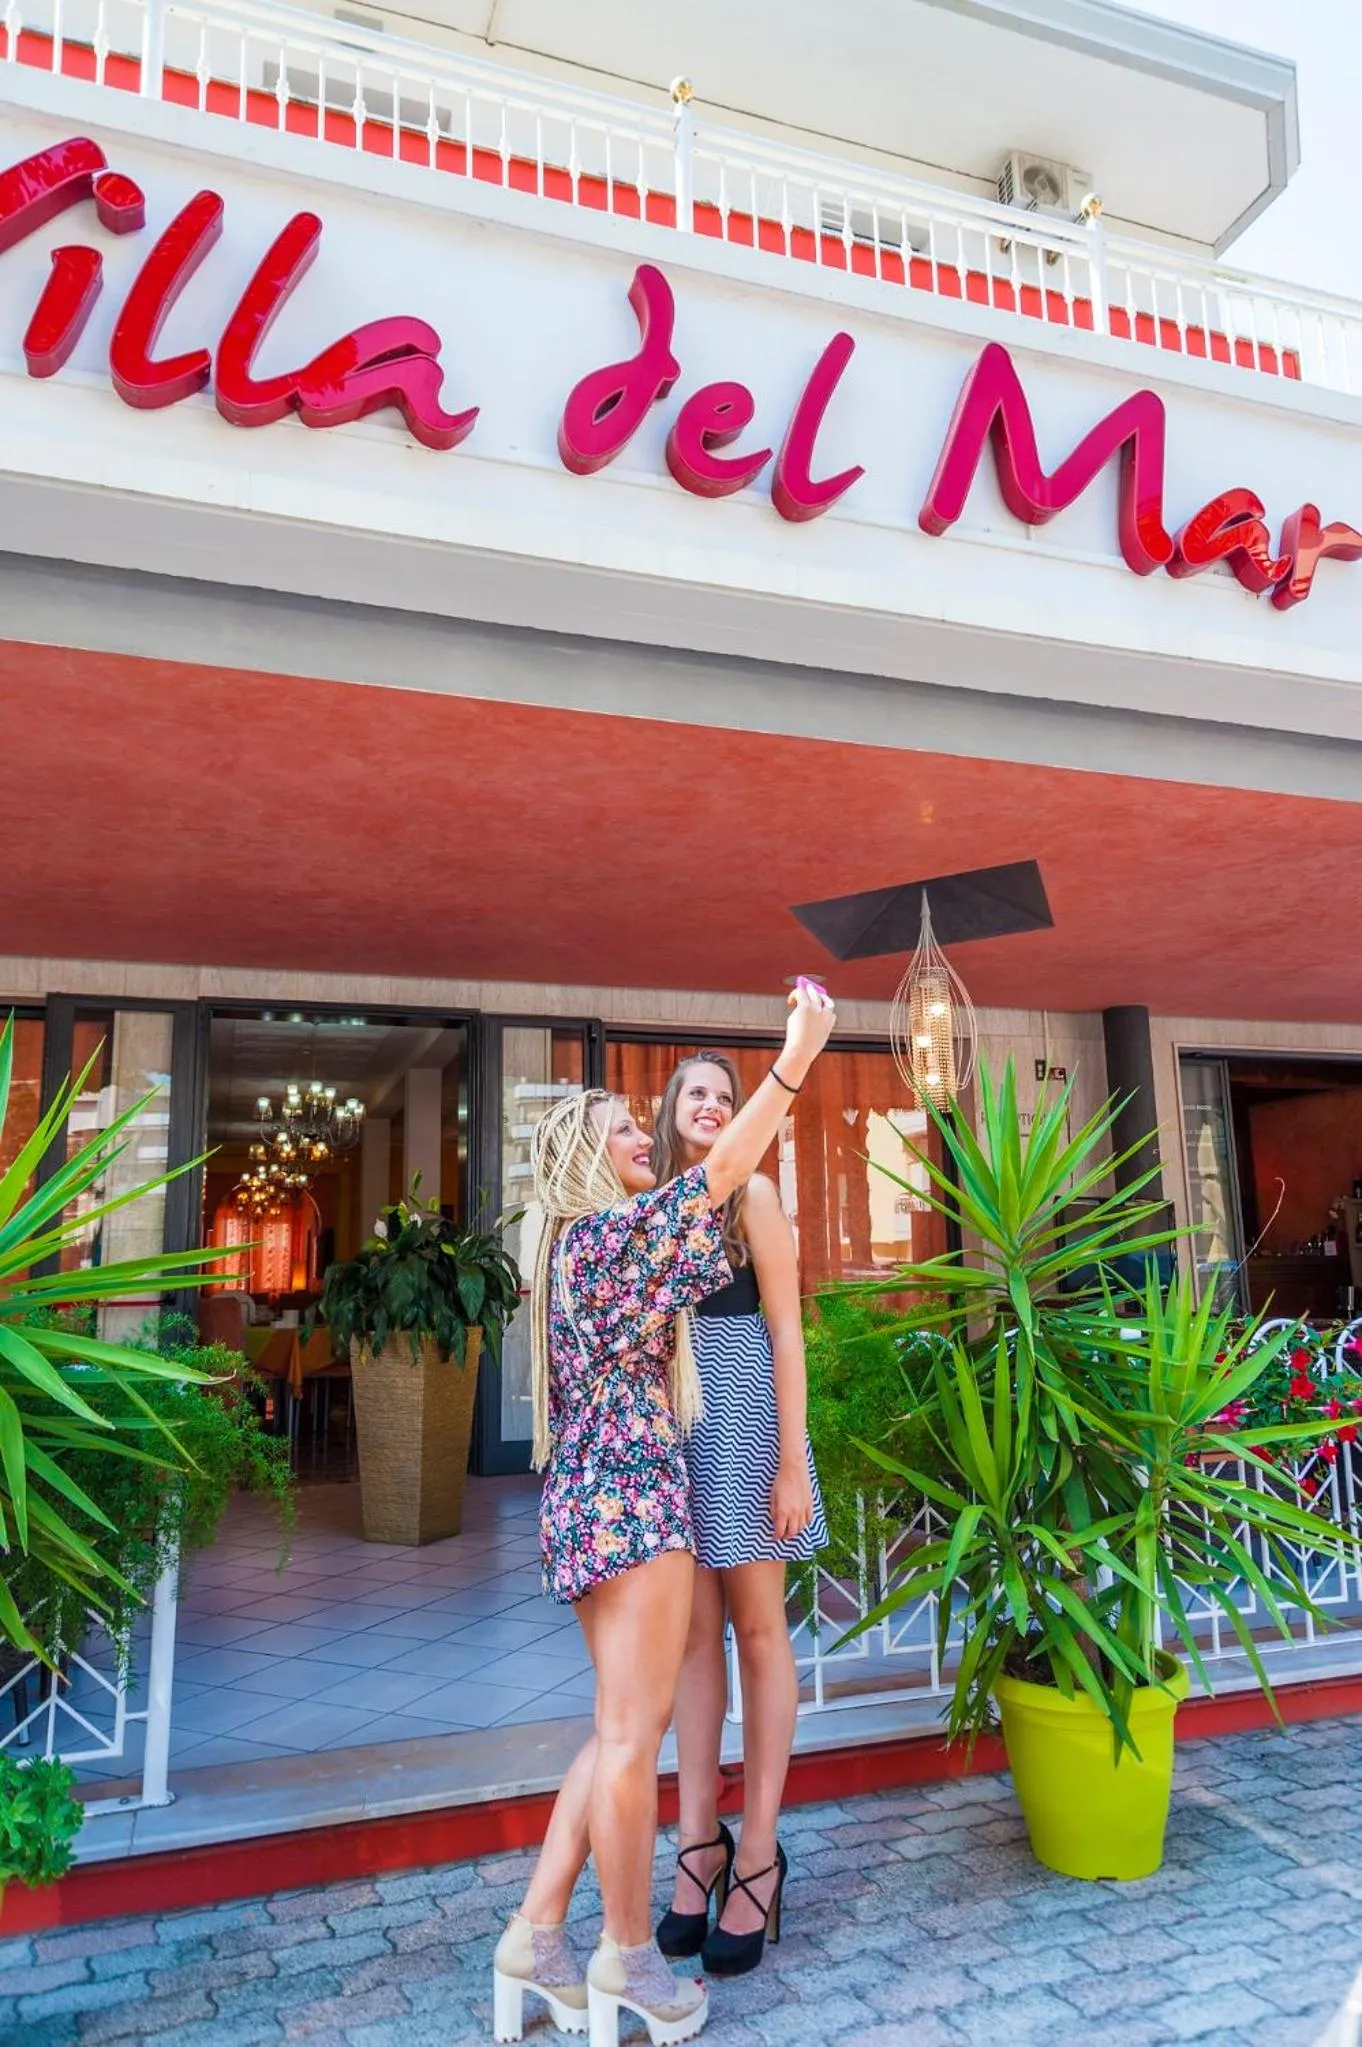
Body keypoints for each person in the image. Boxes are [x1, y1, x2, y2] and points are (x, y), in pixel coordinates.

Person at [492, 980, 836, 2047]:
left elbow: (748, 1243)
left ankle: (537, 1933)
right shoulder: (612, 1243)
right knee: (634, 1739)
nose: (645, 1131)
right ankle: (630, 1961)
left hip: (591, 1506)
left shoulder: (574, 1251)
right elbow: (723, 1173)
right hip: (639, 1503)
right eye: (626, 1126)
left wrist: (786, 1453)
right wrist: (800, 1051)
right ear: (584, 1160)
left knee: (611, 1731)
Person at [652, 1054, 828, 1979]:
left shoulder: (752, 1194)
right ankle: (696, 1843)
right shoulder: (659, 1199)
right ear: (672, 1111)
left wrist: (791, 1459)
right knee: (690, 1638)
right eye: (698, 1093)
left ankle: (757, 1850)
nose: (713, 1105)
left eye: (726, 1093)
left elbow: (788, 1327)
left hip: (749, 1416)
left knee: (760, 1633)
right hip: (675, 1425)